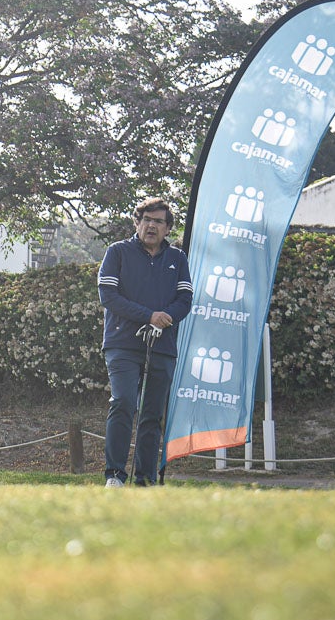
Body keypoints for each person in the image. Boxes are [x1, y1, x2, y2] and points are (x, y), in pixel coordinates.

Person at [97, 197, 193, 488]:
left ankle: (146, 478)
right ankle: (114, 475)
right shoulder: (117, 252)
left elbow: (185, 300)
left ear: (167, 228)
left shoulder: (178, 259)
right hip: (122, 344)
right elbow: (109, 297)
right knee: (123, 401)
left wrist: (164, 318)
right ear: (136, 223)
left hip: (162, 346)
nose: (151, 225)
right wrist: (149, 316)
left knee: (152, 412)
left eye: (158, 221)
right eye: (146, 219)